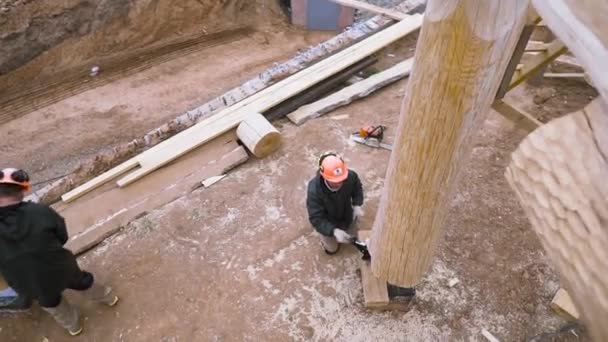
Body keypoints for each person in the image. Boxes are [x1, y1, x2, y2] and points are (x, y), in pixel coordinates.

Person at [0, 168, 118, 336]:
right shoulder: (39, 212)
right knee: (82, 281)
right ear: (22, 191)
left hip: (27, 282)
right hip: (60, 266)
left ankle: (73, 326)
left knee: (50, 302)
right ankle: (108, 298)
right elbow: (62, 236)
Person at [306, 152, 364, 254]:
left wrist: (357, 204)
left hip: (346, 214)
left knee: (352, 238)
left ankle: (344, 227)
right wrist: (333, 231)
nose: (339, 183)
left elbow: (357, 188)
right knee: (332, 249)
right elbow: (316, 219)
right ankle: (325, 238)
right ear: (324, 176)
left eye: (341, 179)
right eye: (334, 181)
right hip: (328, 221)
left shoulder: (350, 176)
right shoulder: (314, 190)